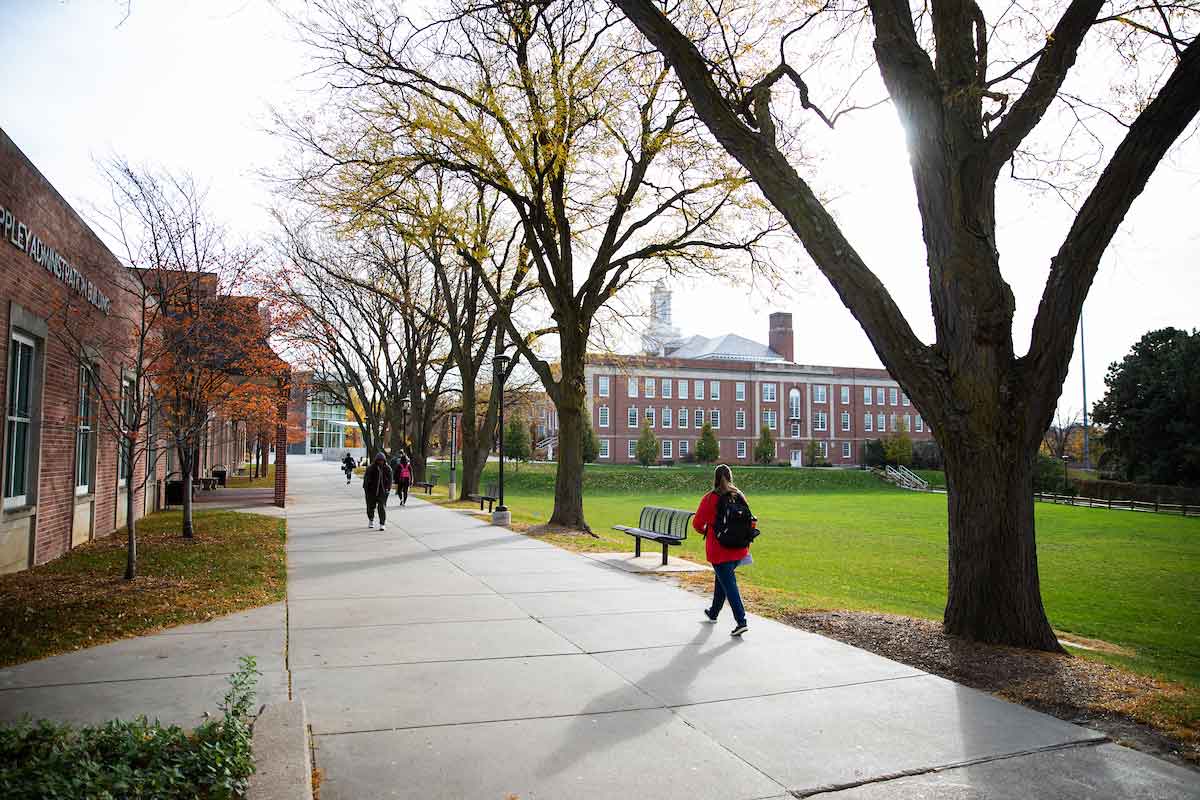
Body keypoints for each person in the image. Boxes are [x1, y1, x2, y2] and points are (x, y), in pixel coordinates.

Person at [692, 464, 752, 637]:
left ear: (715, 478)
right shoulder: (739, 495)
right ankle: (713, 612)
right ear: (730, 477)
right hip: (739, 549)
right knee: (722, 580)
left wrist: (707, 532)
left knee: (729, 584)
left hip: (719, 550)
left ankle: (741, 621)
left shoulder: (710, 498)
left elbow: (697, 524)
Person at [362, 452, 393, 531]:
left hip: (382, 492)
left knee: (381, 507)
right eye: (379, 460)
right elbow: (366, 479)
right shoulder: (370, 468)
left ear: (384, 460)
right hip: (371, 492)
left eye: (382, 460)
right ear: (376, 460)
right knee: (370, 507)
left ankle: (382, 523)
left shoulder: (387, 468)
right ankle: (371, 520)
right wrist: (366, 489)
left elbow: (390, 480)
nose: (380, 462)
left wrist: (388, 489)